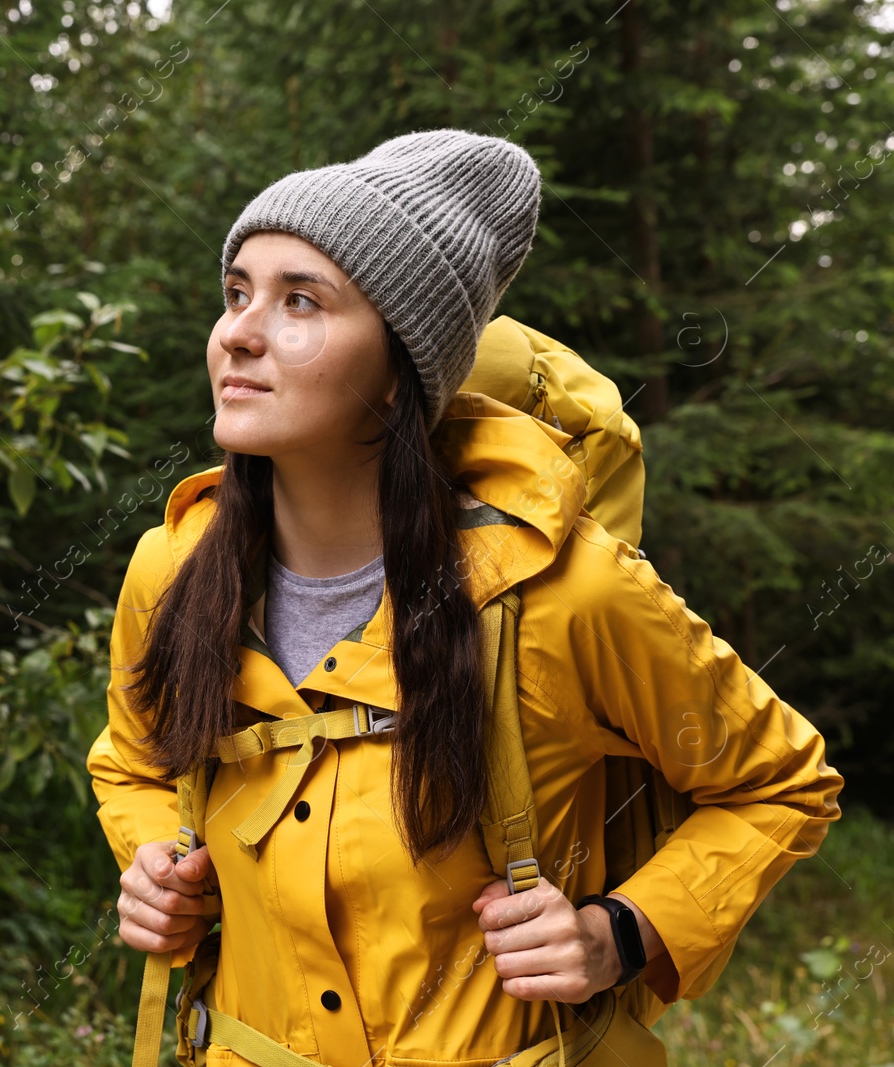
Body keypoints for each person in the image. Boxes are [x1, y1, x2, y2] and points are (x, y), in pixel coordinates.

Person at [85, 129, 844, 1065]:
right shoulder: (175, 569)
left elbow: (781, 784)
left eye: (300, 301)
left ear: (402, 372)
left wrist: (623, 933)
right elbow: (132, 758)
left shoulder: (562, 591)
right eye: (237, 291)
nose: (238, 330)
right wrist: (157, 854)